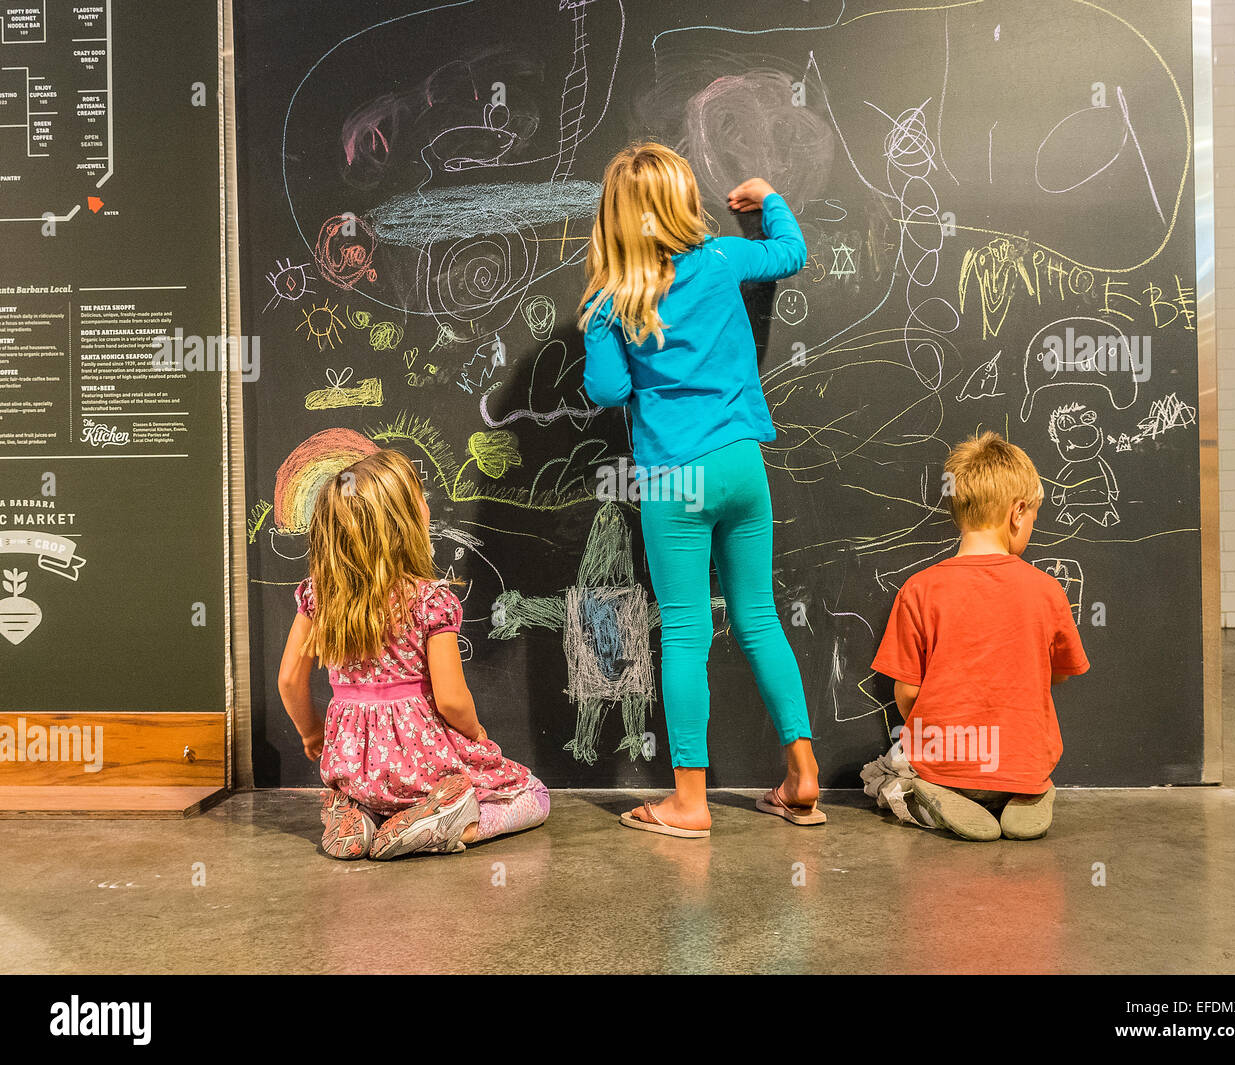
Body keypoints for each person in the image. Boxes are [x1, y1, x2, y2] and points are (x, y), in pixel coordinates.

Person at [580, 141, 821, 837]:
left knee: (686, 632)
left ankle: (689, 801)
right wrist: (768, 196)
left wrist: (611, 328)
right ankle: (803, 770)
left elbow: (608, 389)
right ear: (684, 200)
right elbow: (789, 253)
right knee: (759, 617)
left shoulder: (613, 300)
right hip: (743, 461)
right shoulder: (722, 258)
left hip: (674, 476)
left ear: (618, 219)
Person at [277, 449, 549, 859]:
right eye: (419, 495)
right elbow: (451, 699)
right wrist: (475, 733)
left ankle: (359, 811)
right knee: (533, 794)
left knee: (372, 796)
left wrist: (313, 733)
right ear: (403, 521)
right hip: (422, 768)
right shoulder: (430, 601)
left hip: (351, 768)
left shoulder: (320, 595)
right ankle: (448, 825)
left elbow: (289, 680)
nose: (426, 502)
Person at [866, 432, 1090, 841]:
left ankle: (932, 790)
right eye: (1034, 518)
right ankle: (1029, 797)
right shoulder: (1047, 590)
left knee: (885, 773)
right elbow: (1057, 674)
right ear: (1018, 512)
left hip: (947, 762)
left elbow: (908, 694)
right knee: (1028, 770)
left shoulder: (919, 589)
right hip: (1020, 767)